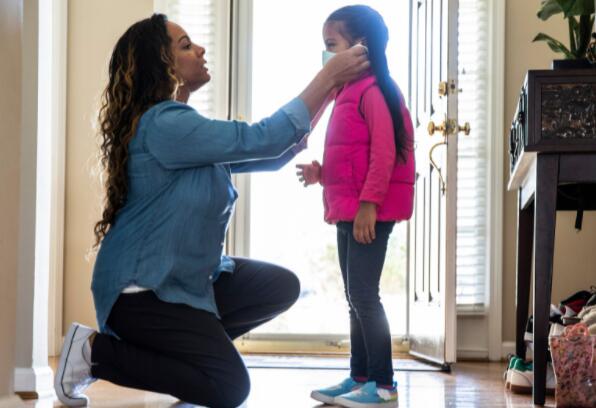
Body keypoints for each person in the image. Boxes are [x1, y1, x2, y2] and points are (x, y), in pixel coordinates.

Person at [53, 13, 369, 408]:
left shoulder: (185, 130)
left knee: (279, 286)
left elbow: (273, 152)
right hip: (140, 294)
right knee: (229, 388)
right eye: (185, 45)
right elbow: (264, 138)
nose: (200, 50)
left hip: (182, 282)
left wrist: (332, 84)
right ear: (162, 65)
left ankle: (192, 361)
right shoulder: (164, 125)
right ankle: (92, 352)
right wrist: (328, 77)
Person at [296, 5, 415, 408]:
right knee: (354, 295)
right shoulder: (347, 92)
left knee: (365, 294)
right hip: (349, 207)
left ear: (359, 47)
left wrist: (369, 204)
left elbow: (383, 154)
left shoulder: (374, 90)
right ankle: (360, 375)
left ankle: (383, 385)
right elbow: (353, 157)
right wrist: (320, 172)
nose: (326, 54)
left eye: (331, 45)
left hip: (368, 211)